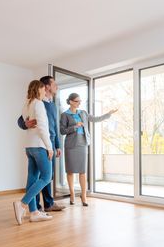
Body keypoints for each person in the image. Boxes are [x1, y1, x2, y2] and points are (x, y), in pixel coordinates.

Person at [60, 93, 117, 206]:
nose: (79, 103)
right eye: (77, 101)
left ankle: (84, 195)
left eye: (80, 101)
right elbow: (62, 130)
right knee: (70, 170)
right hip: (71, 145)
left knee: (82, 171)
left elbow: (96, 119)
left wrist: (108, 114)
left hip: (83, 144)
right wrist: (75, 126)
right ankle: (72, 194)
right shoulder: (65, 115)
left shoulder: (83, 113)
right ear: (70, 101)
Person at [18, 76, 65, 212]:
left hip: (42, 143)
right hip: (42, 144)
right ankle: (29, 205)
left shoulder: (50, 104)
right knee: (45, 177)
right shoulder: (38, 103)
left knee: (37, 177)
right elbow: (22, 121)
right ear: (46, 87)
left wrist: (57, 145)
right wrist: (25, 123)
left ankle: (40, 208)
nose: (57, 86)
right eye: (54, 84)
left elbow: (54, 128)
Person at [13, 80, 53, 224]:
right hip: (39, 146)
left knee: (32, 178)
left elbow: (26, 124)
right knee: (47, 177)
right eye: (43, 90)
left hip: (29, 147)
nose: (45, 92)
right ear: (39, 89)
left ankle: (34, 212)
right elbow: (42, 128)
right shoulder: (38, 104)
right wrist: (49, 147)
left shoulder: (27, 104)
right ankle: (22, 204)